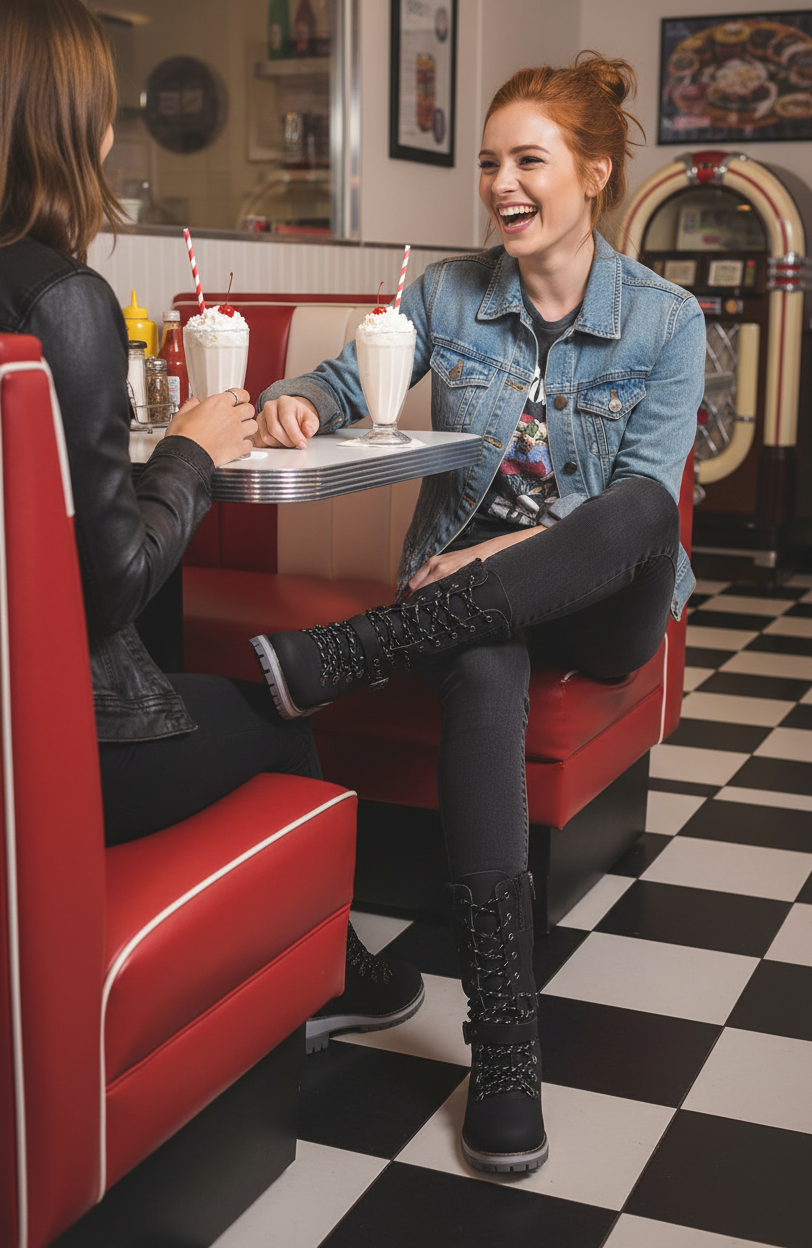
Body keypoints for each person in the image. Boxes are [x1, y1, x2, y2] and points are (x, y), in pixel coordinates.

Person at [251, 54, 706, 1174]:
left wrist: (500, 549)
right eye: (489, 162)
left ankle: (357, 650)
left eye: (528, 160)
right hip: (474, 609)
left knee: (643, 501)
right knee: (486, 664)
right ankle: (506, 1045)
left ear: (592, 174)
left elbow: (633, 509)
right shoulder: (445, 293)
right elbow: (344, 379)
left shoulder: (666, 320)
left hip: (606, 600)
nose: (502, 182)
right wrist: (298, 403)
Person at [0, 0, 423, 1052]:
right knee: (284, 721)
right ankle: (323, 979)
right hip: (54, 755)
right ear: (73, 124)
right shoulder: (62, 301)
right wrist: (191, 452)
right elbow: (108, 589)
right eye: (105, 110)